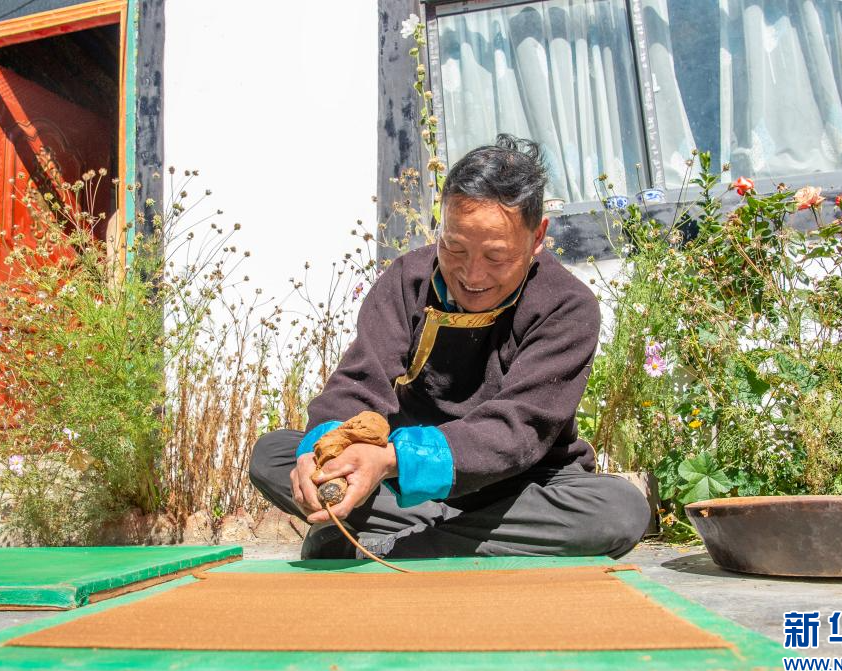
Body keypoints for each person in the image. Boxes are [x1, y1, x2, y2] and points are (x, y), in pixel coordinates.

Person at [250, 135, 650, 559]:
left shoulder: (567, 305)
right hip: (404, 486)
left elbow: (517, 431)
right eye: (454, 247)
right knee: (274, 454)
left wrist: (396, 459)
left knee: (619, 510)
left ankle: (392, 545)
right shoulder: (406, 280)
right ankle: (450, 540)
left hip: (520, 488)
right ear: (440, 224)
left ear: (537, 237)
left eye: (496, 257)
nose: (472, 275)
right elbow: (358, 385)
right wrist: (329, 456)